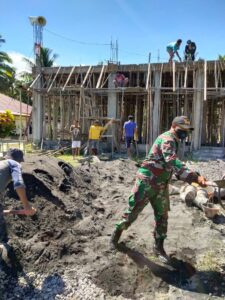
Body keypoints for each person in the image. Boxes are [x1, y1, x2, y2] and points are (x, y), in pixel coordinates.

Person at [111, 116, 207, 261]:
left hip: (161, 185)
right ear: (174, 126)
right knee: (132, 213)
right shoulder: (167, 139)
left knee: (162, 216)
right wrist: (194, 177)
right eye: (182, 130)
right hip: (147, 182)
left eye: (187, 131)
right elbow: (171, 160)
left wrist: (195, 176)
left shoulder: (174, 140)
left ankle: (158, 248)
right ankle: (115, 237)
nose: (185, 133)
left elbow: (173, 165)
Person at [0, 148, 36, 216]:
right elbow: (18, 183)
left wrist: (21, 212)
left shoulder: (2, 164)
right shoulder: (14, 163)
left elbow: (1, 213)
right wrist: (27, 207)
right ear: (19, 160)